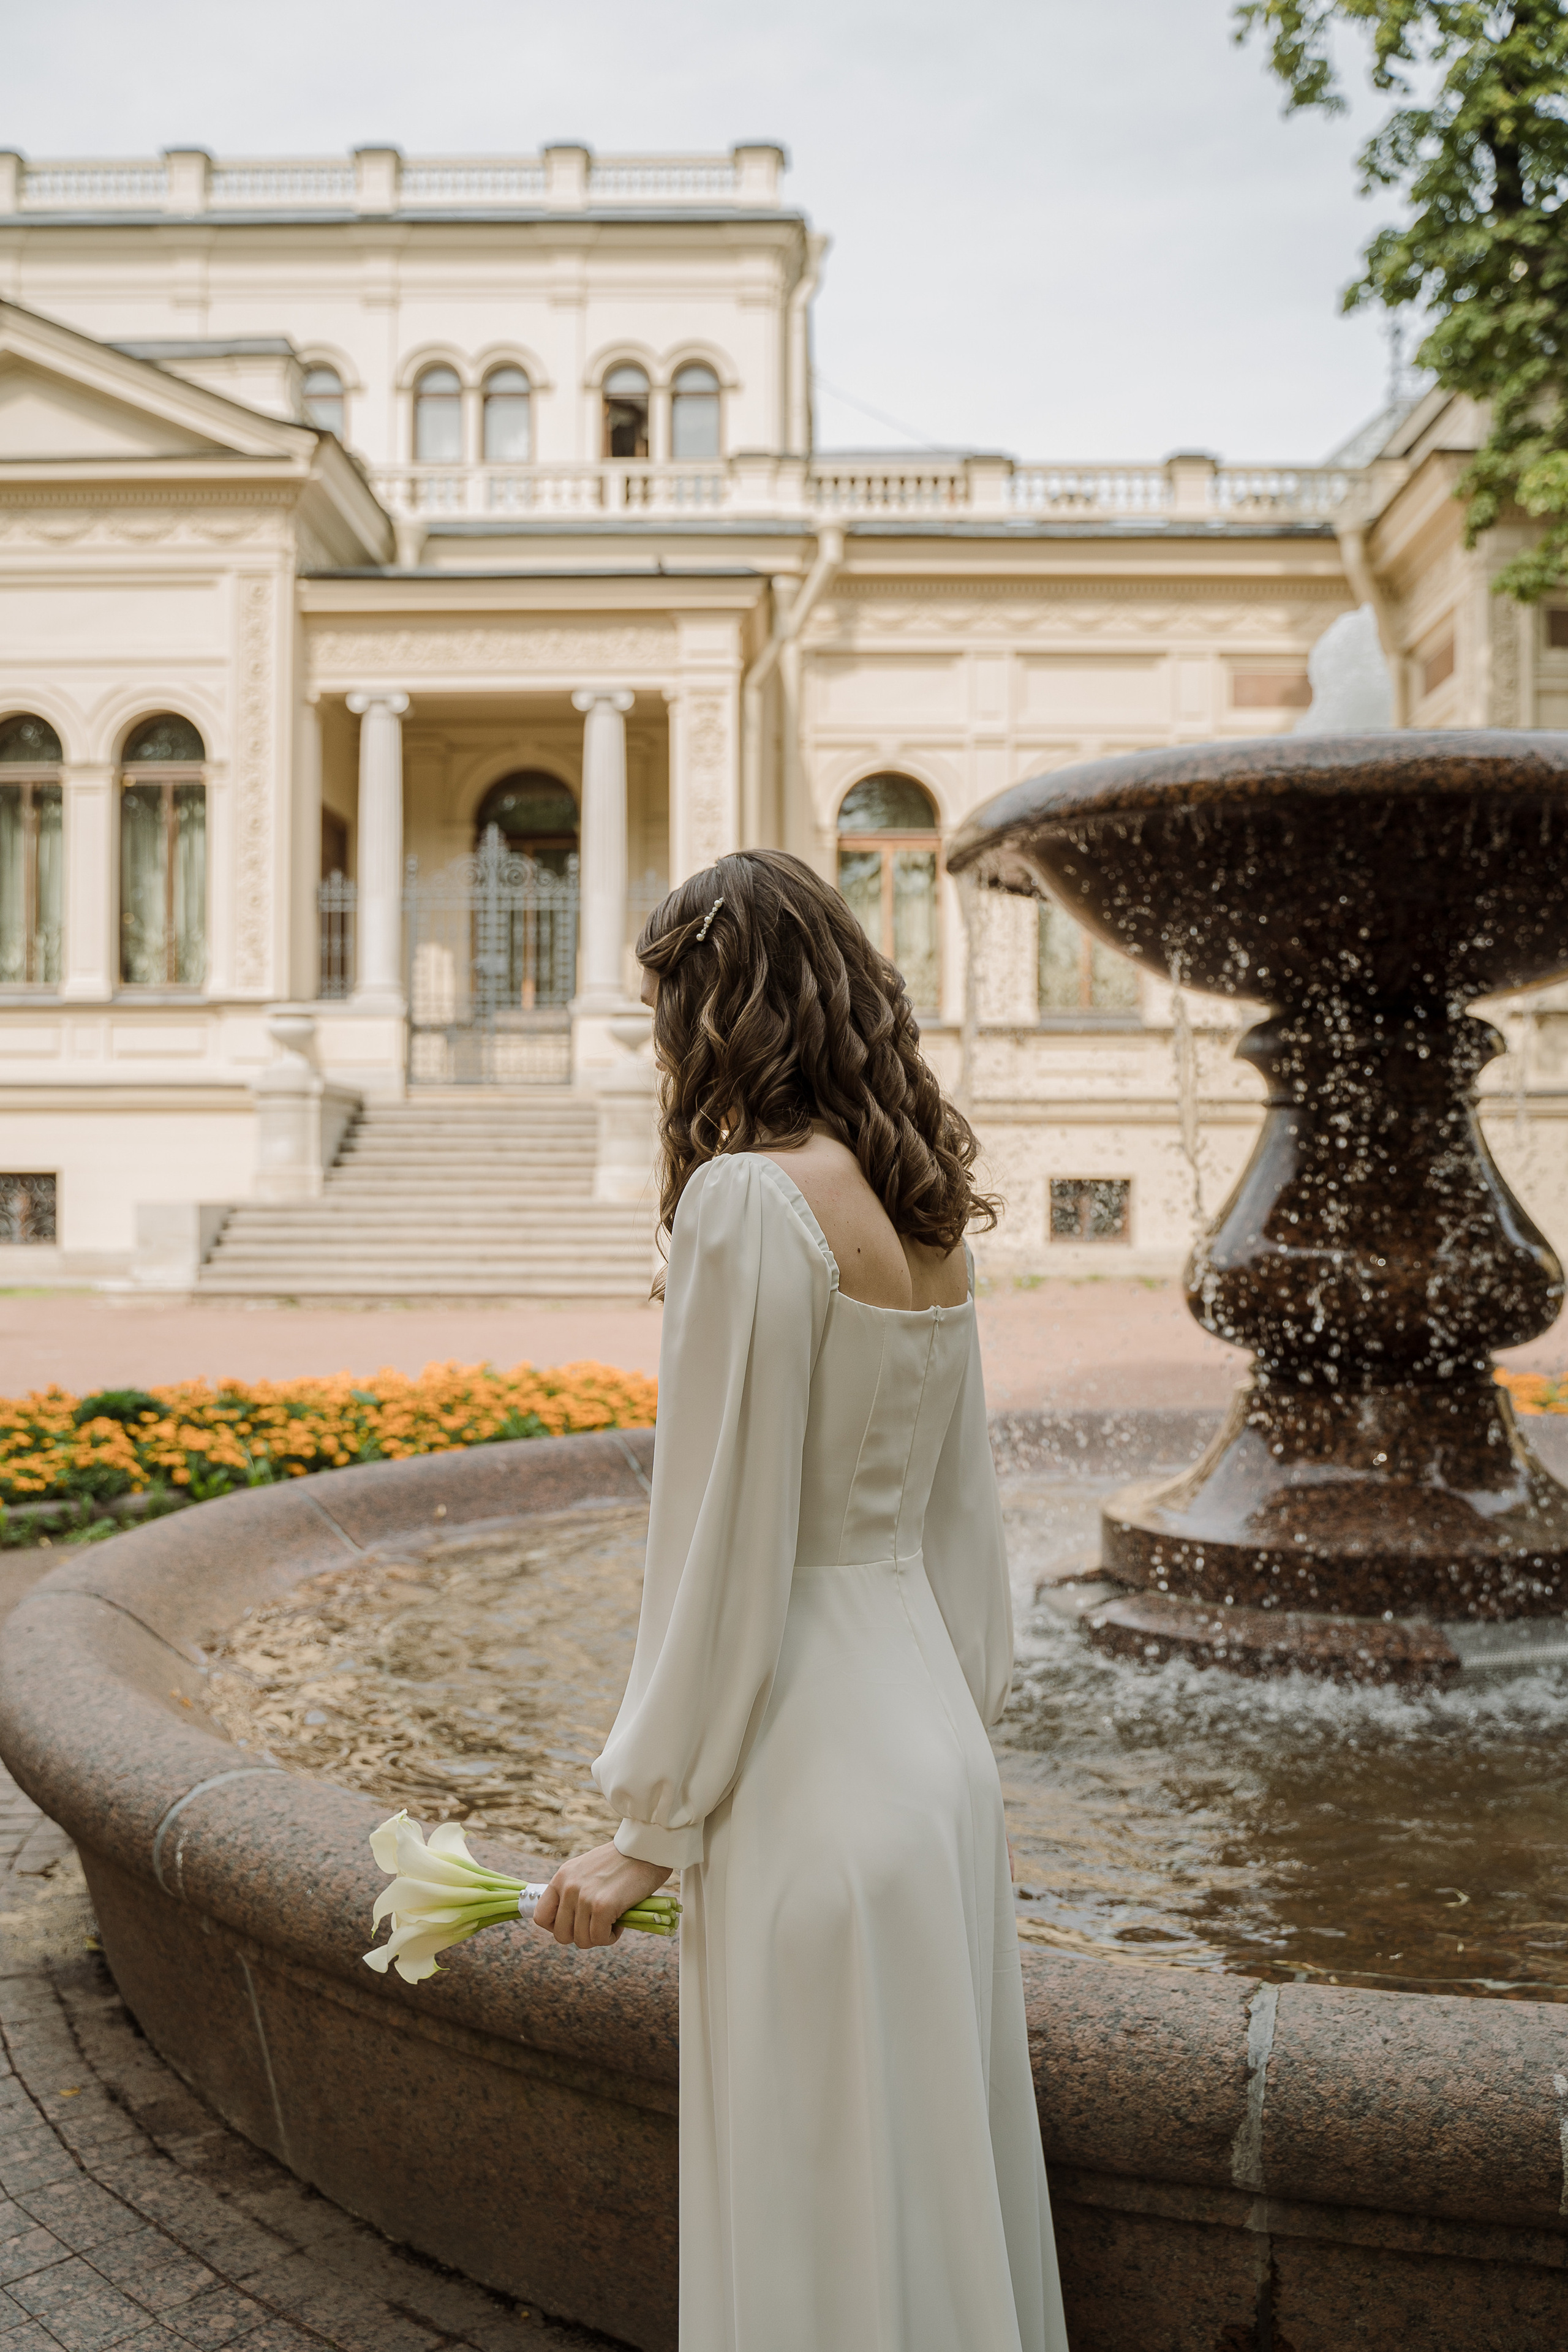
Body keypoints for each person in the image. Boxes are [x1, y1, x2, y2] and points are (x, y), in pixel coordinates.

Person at [534, 848, 1069, 2352]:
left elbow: (720, 1542)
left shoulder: (746, 1204)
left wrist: (648, 1826)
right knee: (927, 2197)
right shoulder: (925, 1216)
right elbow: (962, 1524)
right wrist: (959, 1732)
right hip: (933, 1765)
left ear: (710, 1006)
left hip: (807, 1779)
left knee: (812, 2223)